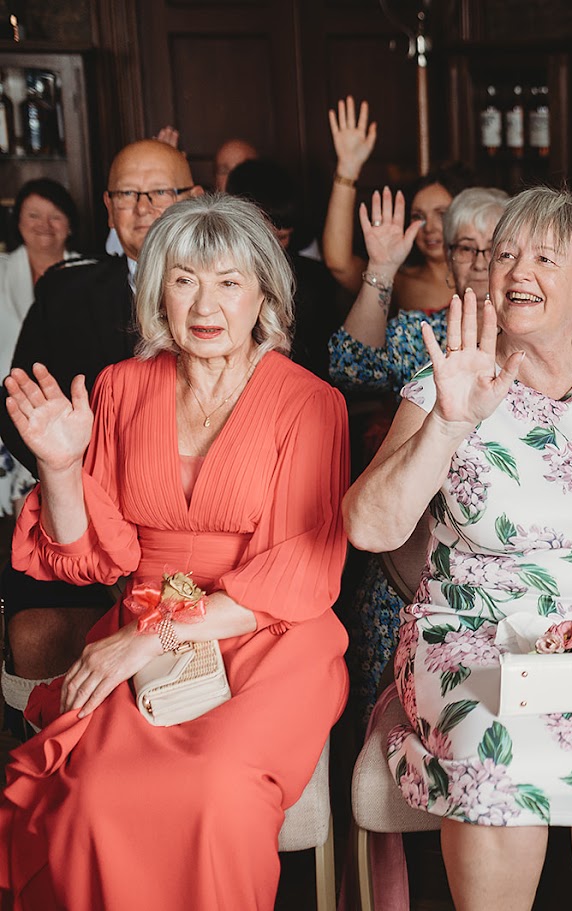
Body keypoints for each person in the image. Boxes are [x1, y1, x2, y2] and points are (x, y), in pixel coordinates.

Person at [343, 186, 572, 910]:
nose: (516, 271)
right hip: (473, 635)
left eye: (545, 256)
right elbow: (370, 528)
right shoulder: (448, 380)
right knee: (491, 746)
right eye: (505, 254)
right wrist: (447, 423)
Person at [0, 194, 349, 909]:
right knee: (92, 793)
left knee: (215, 787)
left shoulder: (310, 402)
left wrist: (140, 639)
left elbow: (298, 575)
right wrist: (62, 469)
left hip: (266, 635)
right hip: (145, 623)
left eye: (229, 281)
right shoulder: (123, 386)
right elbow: (91, 557)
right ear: (158, 287)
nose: (205, 302)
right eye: (185, 277)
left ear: (264, 294)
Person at [0, 139, 203, 685]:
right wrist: (82, 485)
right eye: (127, 194)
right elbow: (20, 403)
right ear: (108, 207)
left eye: (159, 192)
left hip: (195, 514)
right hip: (81, 501)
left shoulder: (231, 290)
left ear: (194, 197)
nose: (142, 207)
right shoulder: (66, 290)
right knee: (38, 633)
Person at [330, 184, 510, 719]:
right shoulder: (424, 334)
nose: (479, 263)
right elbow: (351, 367)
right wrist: (382, 268)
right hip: (411, 551)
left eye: (494, 248)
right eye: (464, 248)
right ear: (447, 262)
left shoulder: (535, 343)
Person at [321, 95, 469, 312]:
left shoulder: (489, 275)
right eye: (418, 216)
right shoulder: (398, 281)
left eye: (442, 214)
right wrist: (347, 169)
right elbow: (339, 263)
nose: (429, 228)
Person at [0, 179, 83, 514]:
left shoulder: (89, 273)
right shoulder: (2, 270)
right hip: (5, 404)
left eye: (55, 216)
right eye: (33, 215)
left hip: (66, 409)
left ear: (70, 225)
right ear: (18, 222)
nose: (44, 226)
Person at [225, 158, 345, 380]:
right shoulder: (212, 278)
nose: (271, 249)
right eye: (263, 236)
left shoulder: (312, 281)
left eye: (282, 238)